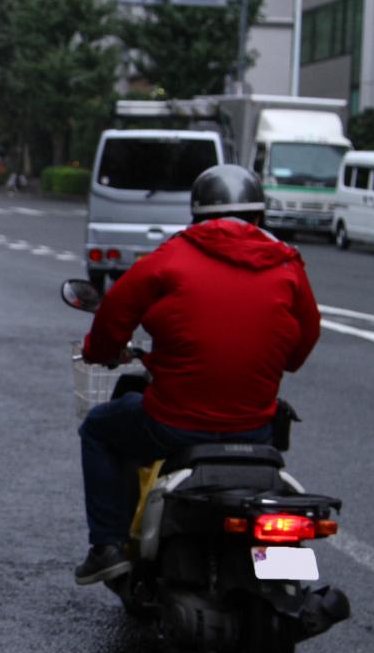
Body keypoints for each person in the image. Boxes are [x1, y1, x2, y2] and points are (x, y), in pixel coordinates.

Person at [73, 164, 321, 585]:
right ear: (259, 217)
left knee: (98, 428)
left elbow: (114, 314)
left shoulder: (169, 257)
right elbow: (303, 341)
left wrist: (101, 352)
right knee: (279, 509)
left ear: (196, 216)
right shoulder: (287, 264)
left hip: (174, 425)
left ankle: (107, 547)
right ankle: (289, 581)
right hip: (255, 431)